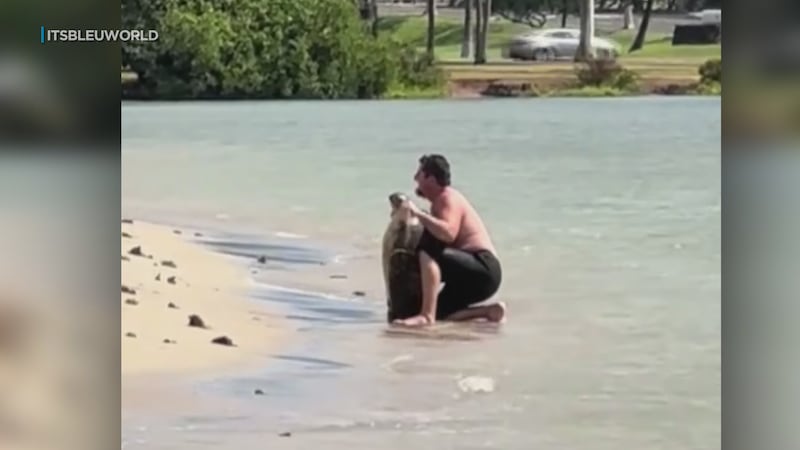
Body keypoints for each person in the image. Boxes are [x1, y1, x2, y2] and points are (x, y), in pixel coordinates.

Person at [394, 154, 505, 327]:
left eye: (419, 174)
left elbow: (448, 233)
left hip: (482, 267)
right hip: (479, 278)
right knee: (443, 313)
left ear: (430, 178)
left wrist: (418, 213)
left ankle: (426, 316)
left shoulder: (447, 198)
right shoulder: (439, 203)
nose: (415, 178)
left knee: (427, 247)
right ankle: (489, 311)